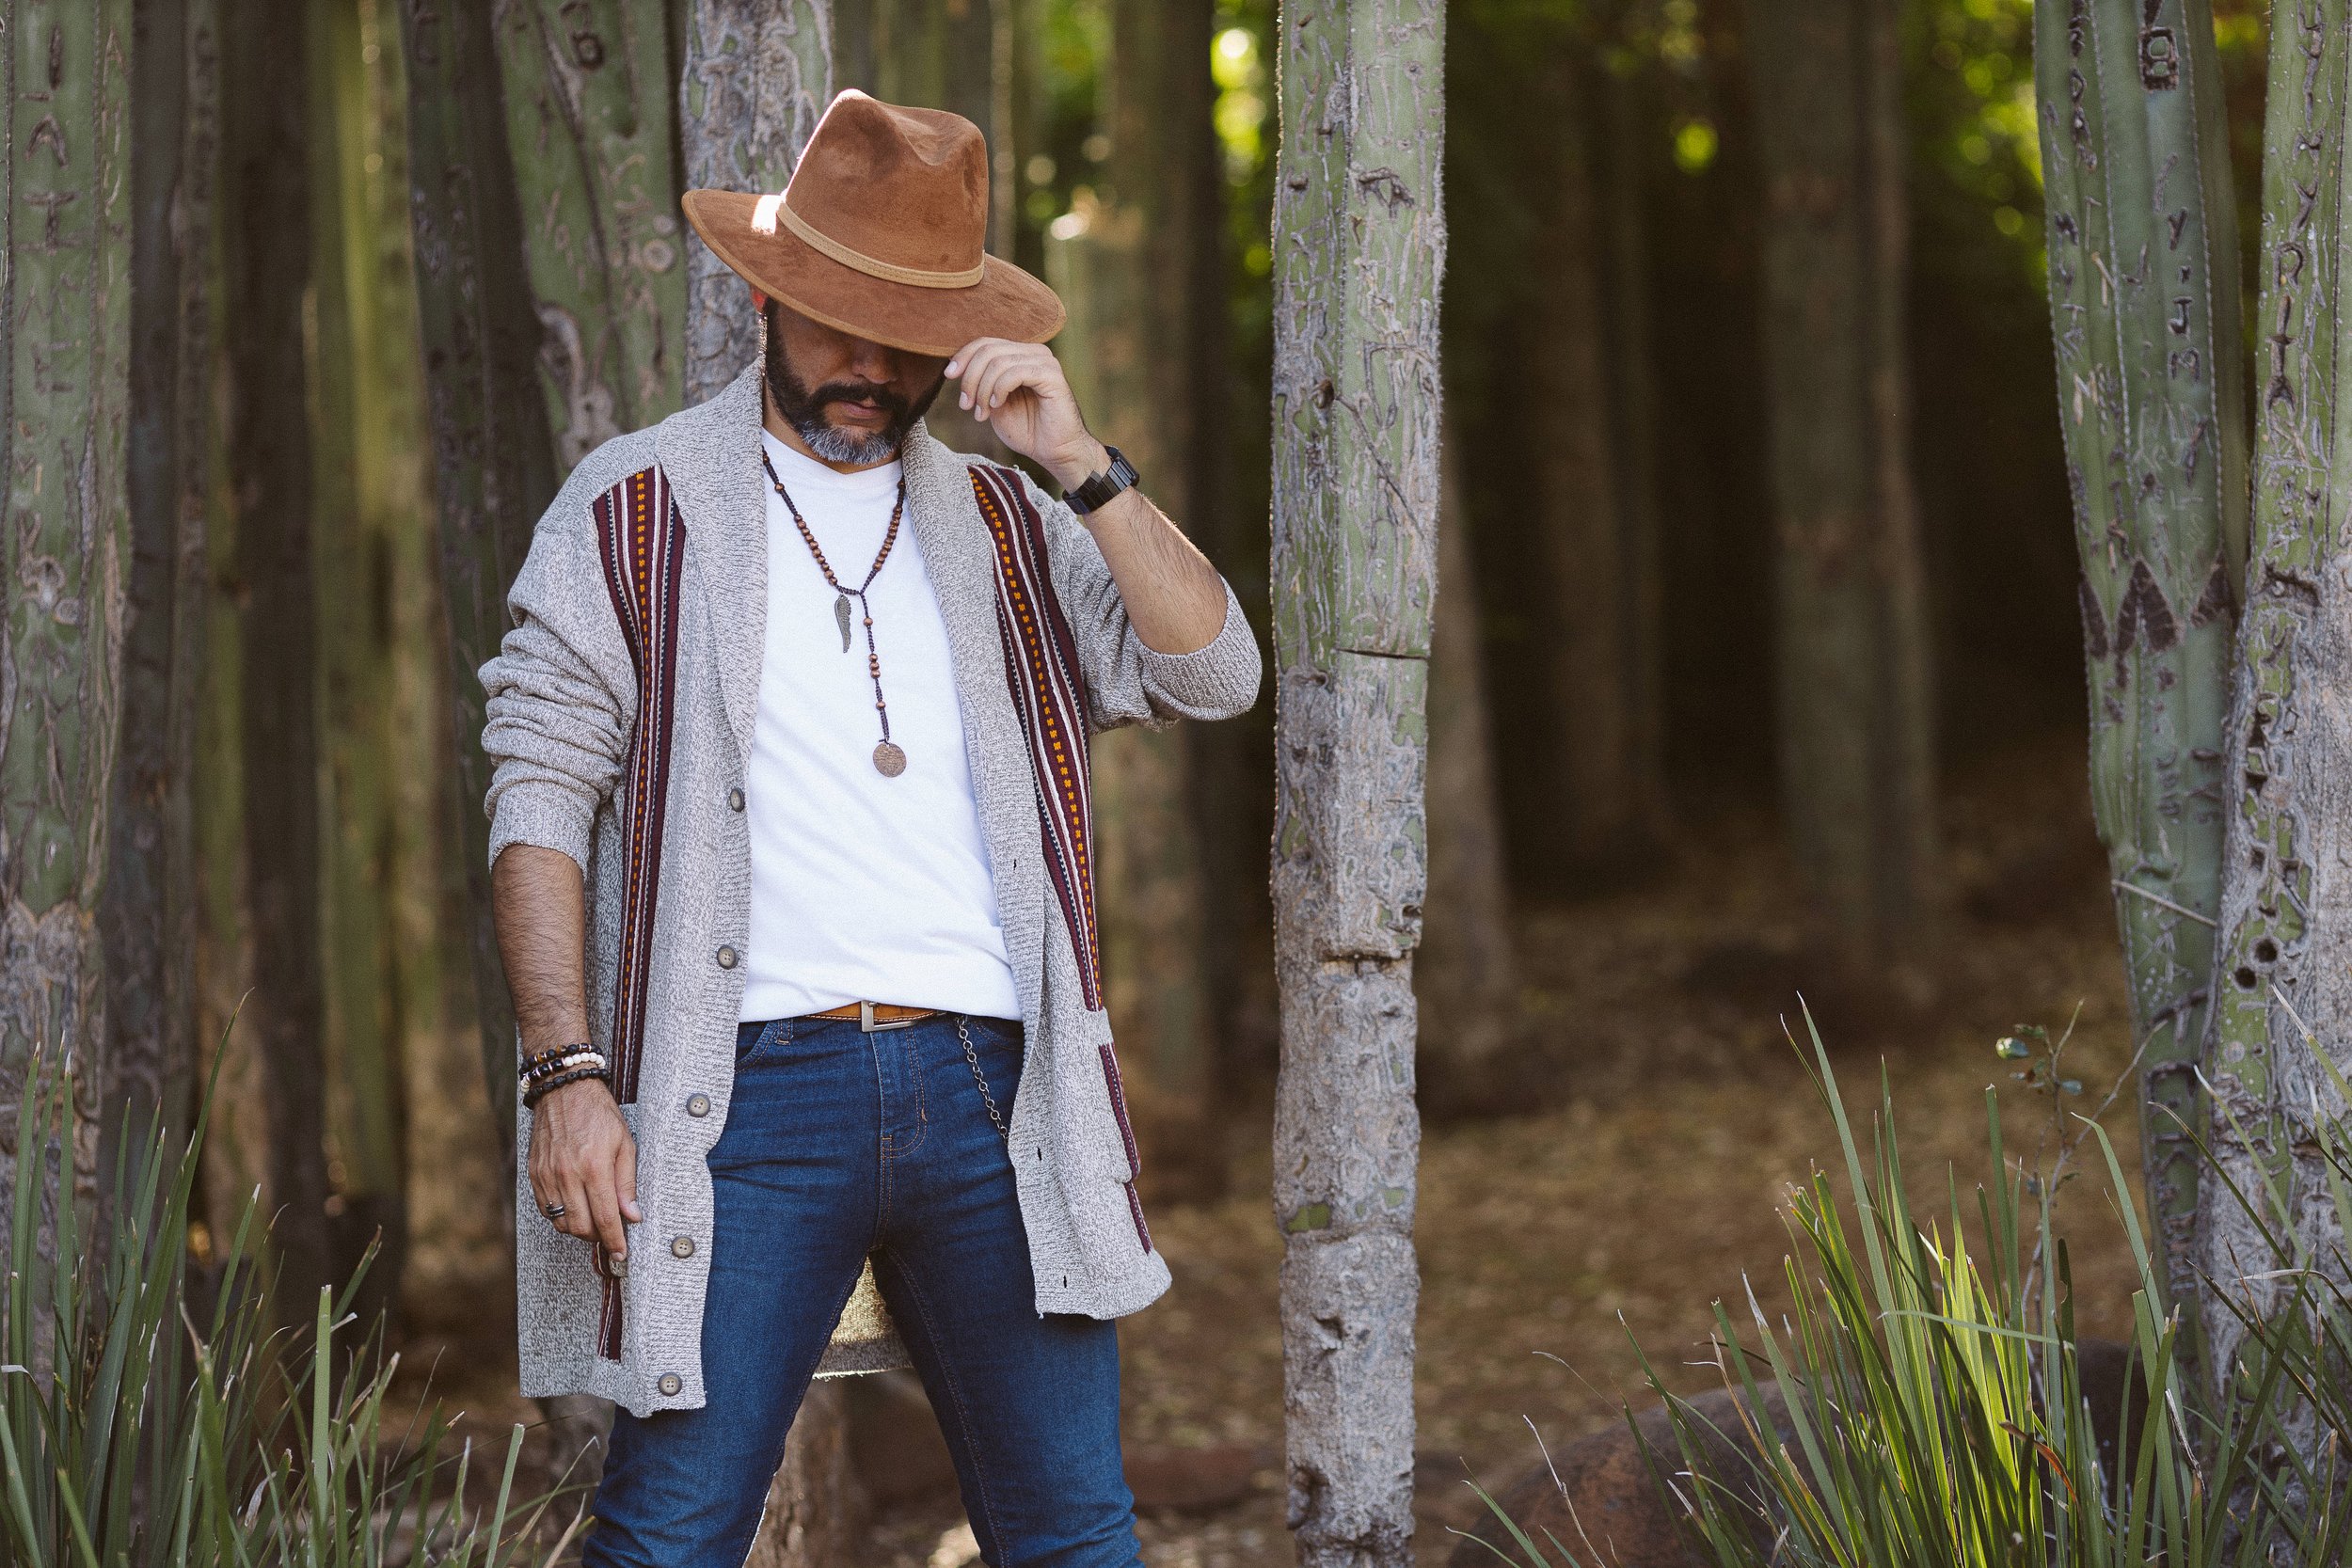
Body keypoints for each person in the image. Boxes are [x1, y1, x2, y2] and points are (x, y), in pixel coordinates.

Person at [479, 88, 1261, 1567]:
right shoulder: (636, 510)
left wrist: (1081, 464)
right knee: (667, 1537)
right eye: (842, 325)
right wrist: (565, 1075)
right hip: (742, 1103)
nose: (869, 368)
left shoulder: (1010, 524)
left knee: (1075, 1540)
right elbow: (537, 796)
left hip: (994, 1095)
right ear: (767, 299)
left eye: (908, 337)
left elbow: (1214, 674)